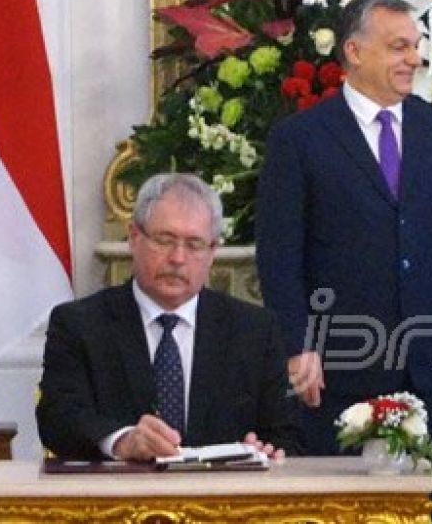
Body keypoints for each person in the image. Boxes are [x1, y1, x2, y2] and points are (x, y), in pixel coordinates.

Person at [255, 0, 432, 459]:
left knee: (426, 506)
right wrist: (298, 346)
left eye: (415, 46)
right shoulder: (300, 139)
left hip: (426, 365)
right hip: (338, 368)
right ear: (355, 52)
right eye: (398, 46)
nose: (414, 59)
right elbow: (279, 256)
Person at [37, 173, 301, 461]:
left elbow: (284, 433)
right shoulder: (79, 324)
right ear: (134, 237)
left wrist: (264, 449)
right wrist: (122, 441)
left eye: (194, 244)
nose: (177, 258)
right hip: (118, 497)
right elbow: (58, 419)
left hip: (222, 499)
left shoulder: (254, 331)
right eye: (165, 240)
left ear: (212, 252)